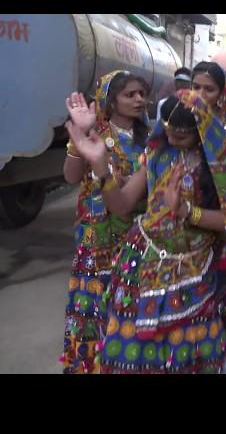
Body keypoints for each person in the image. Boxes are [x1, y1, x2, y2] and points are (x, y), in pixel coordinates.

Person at [66, 70, 226, 373]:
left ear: (202, 130)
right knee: (132, 350)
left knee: (189, 352)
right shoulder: (155, 156)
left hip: (193, 269)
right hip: (143, 261)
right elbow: (123, 206)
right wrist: (101, 167)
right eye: (167, 132)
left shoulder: (220, 165)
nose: (172, 139)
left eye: (182, 135)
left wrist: (186, 211)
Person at [60, 70, 150, 374]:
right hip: (93, 237)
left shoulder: (149, 139)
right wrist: (81, 139)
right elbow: (71, 177)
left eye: (141, 94)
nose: (139, 99)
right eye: (130, 94)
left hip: (133, 236)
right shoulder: (93, 133)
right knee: (92, 305)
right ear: (110, 101)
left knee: (125, 307)